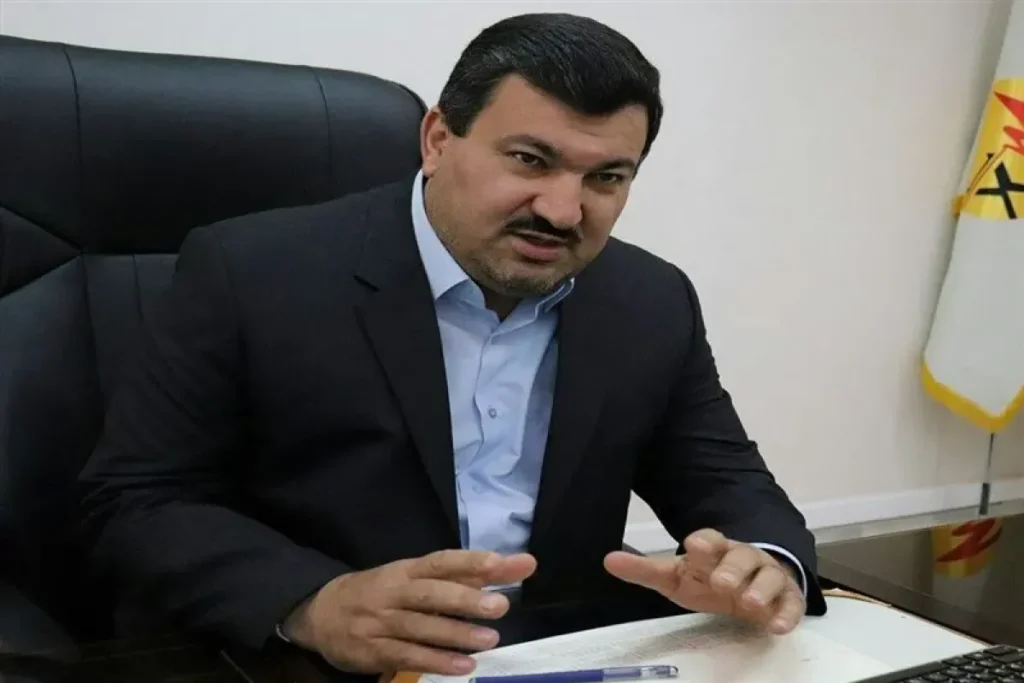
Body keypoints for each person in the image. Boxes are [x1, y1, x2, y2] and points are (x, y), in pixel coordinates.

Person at [78, 11, 825, 679]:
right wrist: (312, 601)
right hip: (317, 663)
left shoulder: (650, 299)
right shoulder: (250, 272)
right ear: (438, 140)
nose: (563, 210)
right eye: (530, 160)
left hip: (559, 657)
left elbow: (724, 476)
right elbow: (136, 502)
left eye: (606, 177)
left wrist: (764, 564)